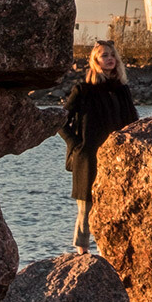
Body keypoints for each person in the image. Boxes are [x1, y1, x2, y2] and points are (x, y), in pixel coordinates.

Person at [61, 41, 139, 255]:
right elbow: (59, 121)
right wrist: (76, 145)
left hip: (118, 157)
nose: (110, 58)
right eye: (104, 55)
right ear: (95, 61)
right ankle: (82, 252)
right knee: (86, 207)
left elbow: (134, 121)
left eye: (112, 55)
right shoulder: (83, 90)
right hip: (88, 156)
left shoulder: (122, 90)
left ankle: (114, 252)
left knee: (120, 205)